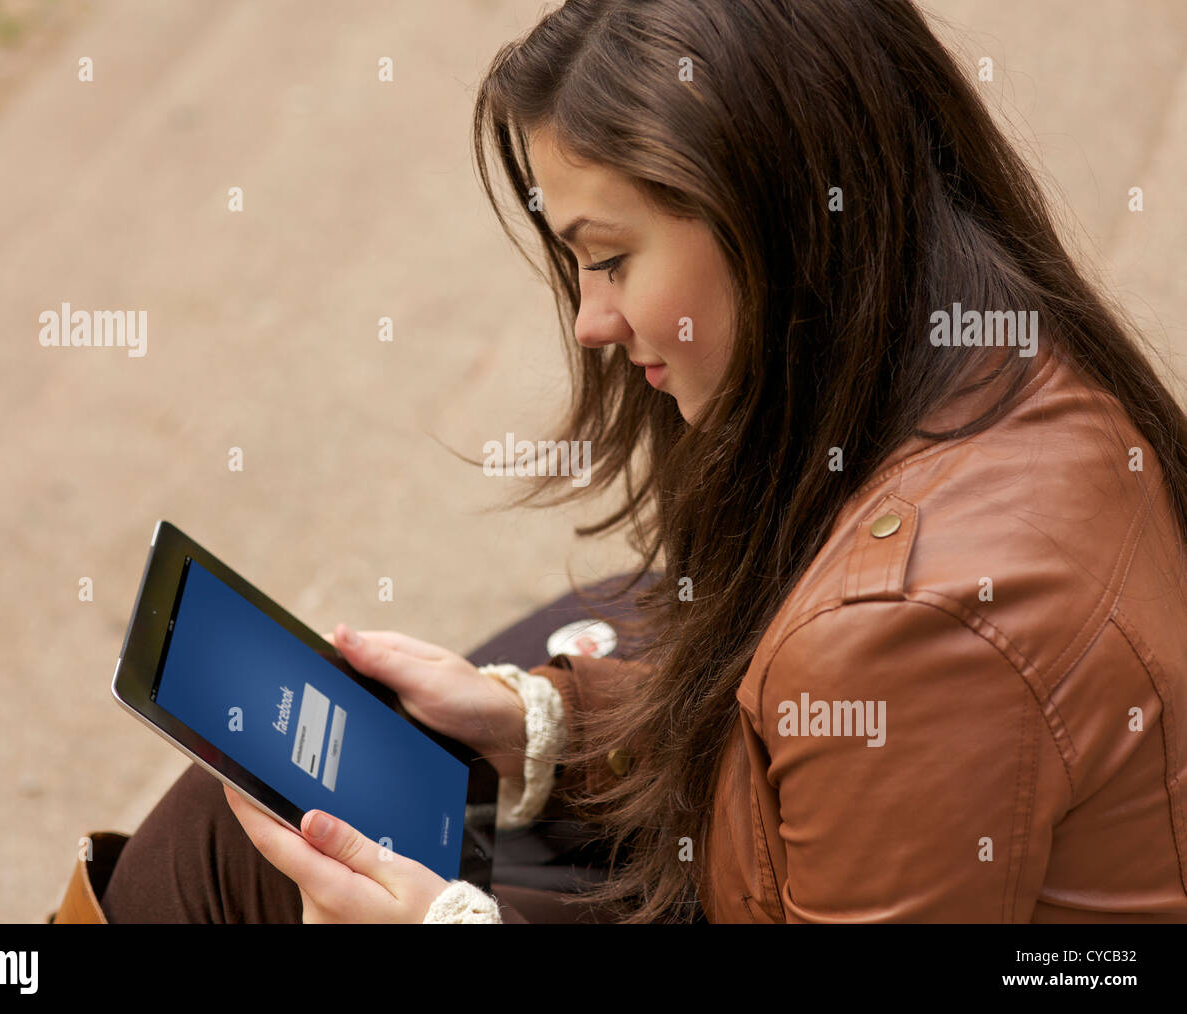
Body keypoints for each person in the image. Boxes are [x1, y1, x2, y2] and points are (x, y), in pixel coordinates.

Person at [58, 0, 1187, 924]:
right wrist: (541, 727)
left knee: (265, 860)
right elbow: (801, 749)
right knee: (270, 819)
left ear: (779, 218)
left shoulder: (909, 629)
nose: (592, 321)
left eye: (608, 258)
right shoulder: (994, 365)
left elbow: (862, 704)